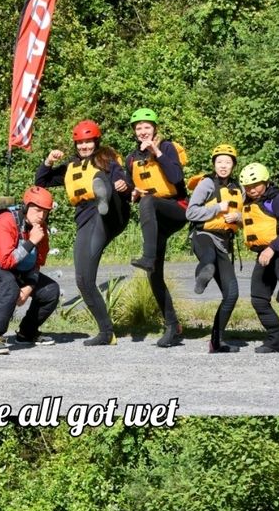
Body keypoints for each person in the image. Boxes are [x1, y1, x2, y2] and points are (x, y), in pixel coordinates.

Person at [35, 120, 131, 346]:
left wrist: (122, 184)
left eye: (89, 142)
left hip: (112, 211)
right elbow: (42, 181)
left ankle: (102, 192)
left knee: (102, 184)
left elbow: (120, 175)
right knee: (83, 279)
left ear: (96, 142)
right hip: (86, 217)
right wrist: (48, 161)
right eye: (81, 143)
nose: (85, 146)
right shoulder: (71, 167)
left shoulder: (106, 157)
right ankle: (106, 333)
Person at [0, 186, 60, 354]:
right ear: (25, 207)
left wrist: (30, 285)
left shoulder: (40, 228)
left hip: (14, 269)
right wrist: (31, 242)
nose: (41, 216)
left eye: (45, 212)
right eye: (37, 210)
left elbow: (38, 261)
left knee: (51, 290)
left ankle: (26, 333)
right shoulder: (5, 220)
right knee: (8, 283)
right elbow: (5, 262)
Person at [126, 108, 188, 347]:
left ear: (154, 128)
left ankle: (148, 257)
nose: (143, 131)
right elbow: (132, 186)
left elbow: (175, 177)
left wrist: (157, 152)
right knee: (154, 275)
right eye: (138, 128)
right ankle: (173, 326)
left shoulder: (168, 147)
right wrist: (132, 192)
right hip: (155, 218)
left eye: (147, 127)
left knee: (149, 199)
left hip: (176, 208)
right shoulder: (132, 157)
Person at [240, 162, 279, 353]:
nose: (252, 190)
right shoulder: (251, 202)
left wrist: (271, 248)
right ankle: (276, 340)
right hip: (264, 254)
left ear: (266, 182)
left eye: (255, 185)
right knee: (259, 298)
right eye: (248, 187)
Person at [186, 145, 242, 353]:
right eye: (219, 162)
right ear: (214, 164)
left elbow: (250, 219)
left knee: (232, 294)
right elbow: (191, 213)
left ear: (234, 165)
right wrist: (218, 208)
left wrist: (238, 217)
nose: (223, 166)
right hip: (203, 236)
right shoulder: (207, 183)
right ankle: (202, 275)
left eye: (228, 162)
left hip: (223, 243)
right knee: (208, 259)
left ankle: (217, 342)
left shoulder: (239, 189)